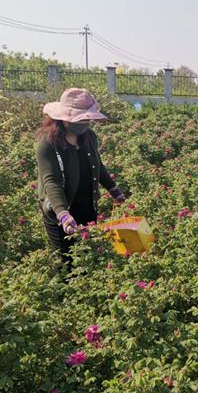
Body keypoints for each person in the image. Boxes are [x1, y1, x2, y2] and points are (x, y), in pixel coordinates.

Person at [36, 88, 125, 267]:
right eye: (81, 119)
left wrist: (114, 190)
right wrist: (63, 214)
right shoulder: (48, 143)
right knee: (68, 263)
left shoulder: (88, 137)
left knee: (88, 257)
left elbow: (97, 166)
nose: (85, 123)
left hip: (87, 207)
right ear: (64, 119)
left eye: (88, 119)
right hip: (61, 211)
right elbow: (51, 181)